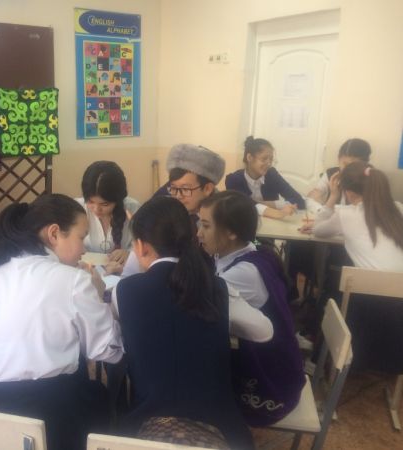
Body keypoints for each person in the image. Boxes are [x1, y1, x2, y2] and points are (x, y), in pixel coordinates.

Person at [0, 194, 123, 450]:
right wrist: (101, 300)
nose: (84, 249)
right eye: (81, 237)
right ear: (54, 234)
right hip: (36, 416)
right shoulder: (73, 280)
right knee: (99, 398)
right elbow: (108, 351)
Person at [113, 196, 259, 449]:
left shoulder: (124, 290)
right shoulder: (218, 287)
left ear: (140, 246)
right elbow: (264, 332)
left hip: (149, 417)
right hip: (218, 421)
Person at [199, 191, 305, 426]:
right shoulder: (253, 251)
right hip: (285, 366)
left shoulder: (242, 273)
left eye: (206, 226)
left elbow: (201, 308)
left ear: (231, 232)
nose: (199, 233)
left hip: (270, 380)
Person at [305, 162, 403, 374]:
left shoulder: (346, 214)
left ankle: (316, 362)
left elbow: (318, 231)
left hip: (367, 305)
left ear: (348, 192)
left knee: (332, 292)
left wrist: (332, 196)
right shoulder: (398, 208)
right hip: (398, 311)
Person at [122, 143, 225, 277]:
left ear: (207, 189)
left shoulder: (221, 216)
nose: (178, 195)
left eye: (185, 189)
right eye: (174, 188)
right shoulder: (165, 210)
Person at [76, 161, 140, 274]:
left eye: (105, 204)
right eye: (90, 202)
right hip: (85, 274)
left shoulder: (133, 209)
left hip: (122, 274)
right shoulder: (77, 209)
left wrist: (130, 254)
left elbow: (146, 246)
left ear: (118, 200)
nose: (96, 209)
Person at [225, 136, 305, 219]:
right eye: (264, 159)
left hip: (273, 224)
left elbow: (299, 200)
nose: (269, 163)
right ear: (249, 158)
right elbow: (242, 205)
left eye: (271, 159)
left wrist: (264, 203)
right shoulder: (233, 179)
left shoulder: (271, 174)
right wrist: (277, 213)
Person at [307, 138, 371, 205]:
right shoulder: (331, 174)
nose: (349, 170)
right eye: (346, 164)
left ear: (365, 164)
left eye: (354, 166)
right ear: (338, 159)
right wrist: (316, 196)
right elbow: (317, 191)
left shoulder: (370, 179)